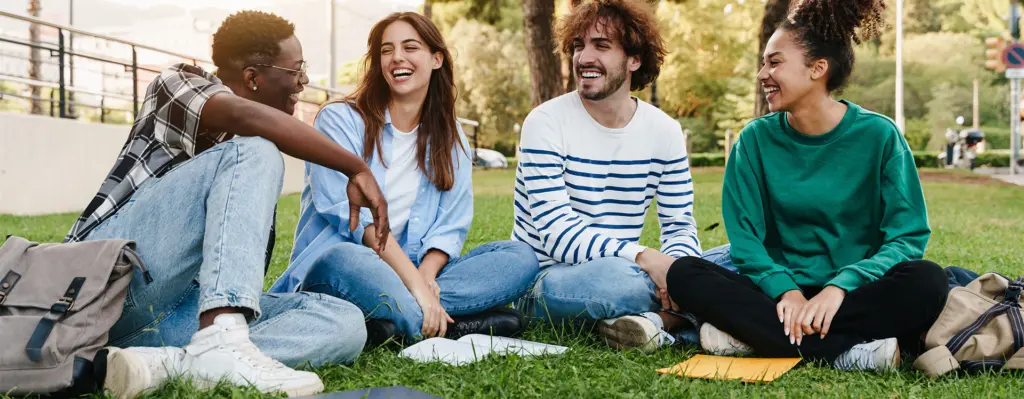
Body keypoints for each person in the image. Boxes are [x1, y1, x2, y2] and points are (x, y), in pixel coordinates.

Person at [72, 11, 391, 398]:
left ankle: (167, 364)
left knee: (343, 322)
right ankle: (219, 340)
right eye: (297, 69)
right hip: (106, 285)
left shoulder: (247, 168)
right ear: (254, 77)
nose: (304, 81)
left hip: (180, 311)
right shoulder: (175, 84)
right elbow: (245, 115)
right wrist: (356, 167)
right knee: (257, 150)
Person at [666, 0, 949, 371]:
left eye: (775, 62)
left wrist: (839, 287)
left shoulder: (879, 136)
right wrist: (787, 291)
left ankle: (763, 340)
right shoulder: (753, 142)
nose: (762, 74)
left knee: (927, 280)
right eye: (764, 62)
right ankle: (848, 352)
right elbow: (747, 242)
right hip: (777, 296)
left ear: (818, 69)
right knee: (685, 273)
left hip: (854, 293)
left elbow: (908, 237)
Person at [270, 12, 539, 345]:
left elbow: (450, 227)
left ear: (436, 58)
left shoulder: (452, 137)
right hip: (346, 267)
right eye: (387, 50)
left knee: (519, 259)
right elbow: (355, 222)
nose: (397, 57)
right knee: (346, 259)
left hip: (411, 272)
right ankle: (443, 324)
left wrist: (425, 279)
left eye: (410, 47)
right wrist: (416, 286)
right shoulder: (340, 120)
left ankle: (391, 323)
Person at [512, 0, 727, 353]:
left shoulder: (665, 131)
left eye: (601, 45)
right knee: (618, 283)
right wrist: (646, 259)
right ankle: (693, 316)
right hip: (550, 280)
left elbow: (678, 226)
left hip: (626, 266)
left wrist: (675, 272)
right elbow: (555, 234)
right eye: (579, 45)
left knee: (740, 257)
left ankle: (653, 323)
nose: (583, 58)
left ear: (634, 59)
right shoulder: (545, 122)